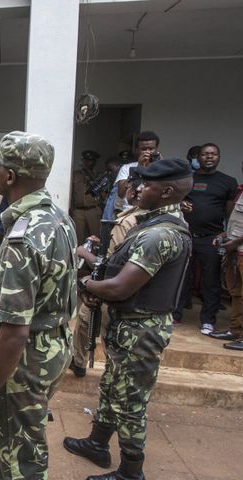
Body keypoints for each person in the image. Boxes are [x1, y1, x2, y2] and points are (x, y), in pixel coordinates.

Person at [65, 158, 193, 480]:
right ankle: (97, 444)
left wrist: (87, 285)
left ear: (166, 192)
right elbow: (117, 271)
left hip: (141, 330)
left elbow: (121, 286)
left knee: (130, 402)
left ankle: (131, 472)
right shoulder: (150, 224)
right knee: (111, 386)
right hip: (130, 327)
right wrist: (97, 277)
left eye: (146, 185)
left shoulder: (158, 235)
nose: (137, 189)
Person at [0, 131, 76, 480]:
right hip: (54, 346)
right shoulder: (59, 218)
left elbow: (14, 331)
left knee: (17, 457)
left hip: (26, 358)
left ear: (11, 176)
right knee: (28, 441)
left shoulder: (23, 237)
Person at [70, 174, 146, 378]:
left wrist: (85, 254)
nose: (125, 191)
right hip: (121, 288)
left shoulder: (128, 221)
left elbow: (113, 265)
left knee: (105, 329)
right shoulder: (138, 215)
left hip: (111, 288)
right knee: (85, 319)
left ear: (135, 191)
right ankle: (77, 361)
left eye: (128, 187)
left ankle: (112, 376)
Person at [175, 143, 237, 335]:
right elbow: (175, 199)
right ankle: (175, 315)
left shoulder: (227, 182)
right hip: (185, 235)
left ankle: (208, 320)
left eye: (213, 154)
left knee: (211, 281)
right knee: (179, 278)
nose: (209, 157)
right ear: (198, 157)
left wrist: (226, 233)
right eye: (205, 154)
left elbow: (230, 212)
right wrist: (181, 203)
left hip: (211, 238)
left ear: (219, 157)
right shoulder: (187, 179)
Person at [214, 161, 243, 349]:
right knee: (236, 293)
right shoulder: (241, 190)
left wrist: (236, 242)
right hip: (236, 252)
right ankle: (236, 330)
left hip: (239, 249)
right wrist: (225, 236)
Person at [114, 131, 160, 211]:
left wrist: (160, 166)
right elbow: (121, 193)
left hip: (154, 212)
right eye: (143, 149)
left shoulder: (163, 167)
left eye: (151, 149)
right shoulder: (126, 168)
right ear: (137, 149)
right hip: (131, 211)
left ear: (156, 148)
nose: (148, 152)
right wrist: (139, 167)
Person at [71, 150, 103, 245]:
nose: (87, 163)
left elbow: (100, 188)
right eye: (86, 160)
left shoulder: (98, 175)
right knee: (78, 238)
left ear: (95, 162)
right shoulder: (75, 174)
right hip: (78, 211)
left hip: (93, 210)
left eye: (90, 160)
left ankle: (93, 258)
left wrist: (87, 171)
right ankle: (79, 258)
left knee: (95, 238)